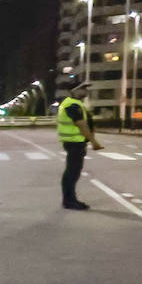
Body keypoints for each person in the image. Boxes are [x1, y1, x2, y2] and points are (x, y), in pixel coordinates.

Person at [56, 79, 103, 209]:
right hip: (74, 143)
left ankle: (70, 199)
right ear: (75, 90)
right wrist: (94, 142)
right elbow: (81, 125)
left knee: (73, 172)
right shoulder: (72, 105)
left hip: (74, 143)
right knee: (72, 173)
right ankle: (69, 201)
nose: (86, 91)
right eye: (83, 89)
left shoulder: (75, 103)